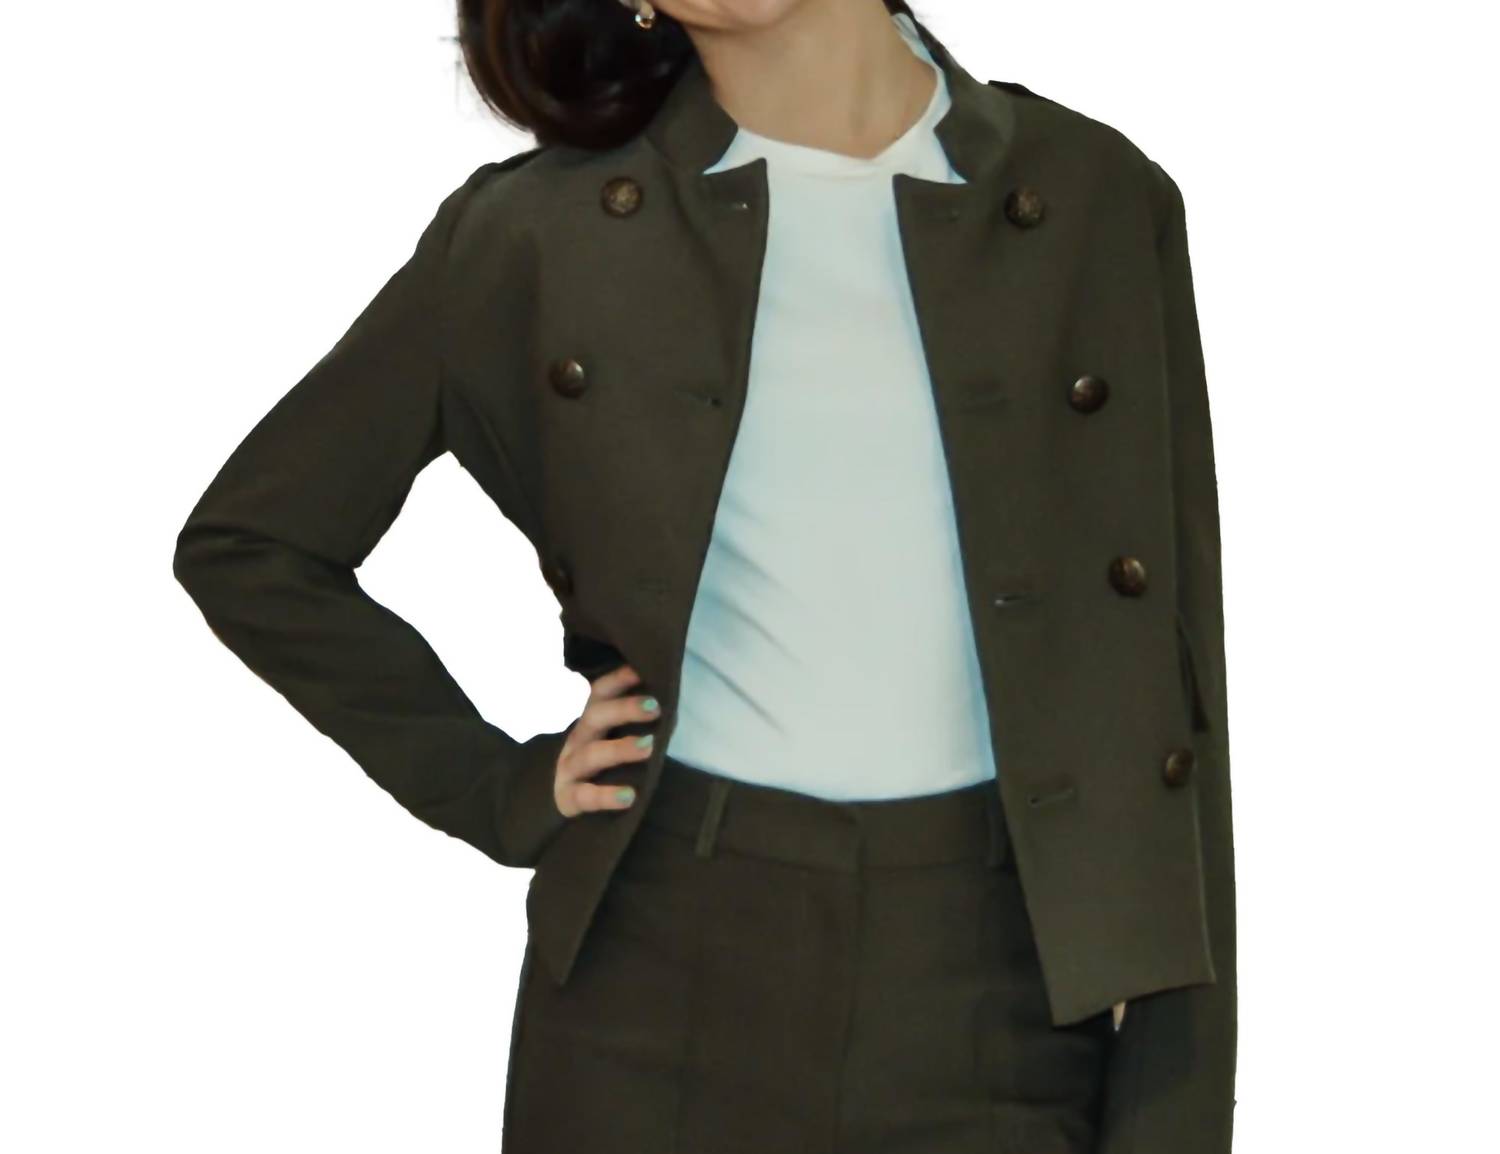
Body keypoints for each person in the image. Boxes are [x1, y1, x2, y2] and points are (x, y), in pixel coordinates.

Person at [173, 2, 1236, 1152]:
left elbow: (1174, 681)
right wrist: (495, 784)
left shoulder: (1095, 198)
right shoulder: (540, 230)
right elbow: (255, 542)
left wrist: (1178, 1091)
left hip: (1002, 994)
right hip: (656, 973)